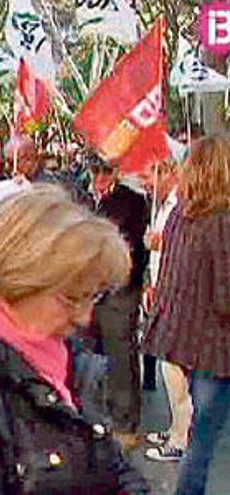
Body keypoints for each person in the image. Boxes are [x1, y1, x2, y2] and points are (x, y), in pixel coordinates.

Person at [0, 184, 148, 494]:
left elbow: (114, 468)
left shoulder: (68, 359)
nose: (85, 318)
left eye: (93, 297)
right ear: (18, 282)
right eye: (71, 299)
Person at [144, 134, 230, 494]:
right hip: (216, 345)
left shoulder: (180, 213)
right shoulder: (222, 220)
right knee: (203, 441)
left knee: (199, 436)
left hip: (182, 337)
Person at [88, 158, 148, 451]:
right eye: (95, 169)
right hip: (89, 291)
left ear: (116, 172)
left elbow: (133, 246)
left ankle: (126, 424)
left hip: (120, 289)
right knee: (94, 353)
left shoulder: (132, 201)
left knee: (120, 354)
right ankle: (102, 413)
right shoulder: (85, 198)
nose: (99, 176)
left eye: (105, 170)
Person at [139, 160, 189, 463]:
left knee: (176, 371)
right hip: (160, 292)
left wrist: (163, 244)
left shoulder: (181, 205)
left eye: (147, 175)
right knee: (168, 368)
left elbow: (186, 250)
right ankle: (175, 428)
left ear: (166, 172)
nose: (145, 183)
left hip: (176, 298)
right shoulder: (162, 203)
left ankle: (181, 438)